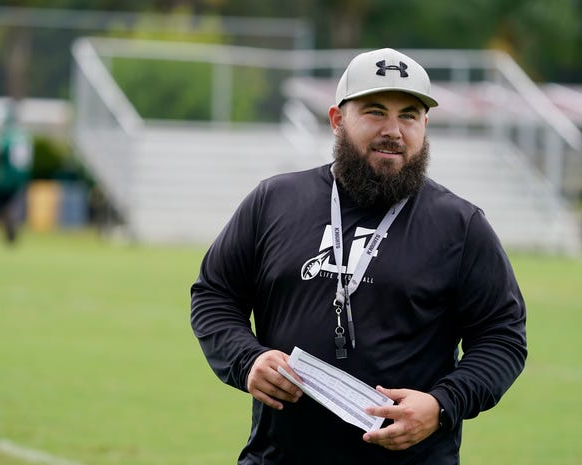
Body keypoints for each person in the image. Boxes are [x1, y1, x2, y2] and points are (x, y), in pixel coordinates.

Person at [190, 48, 527, 465]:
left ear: (425, 124)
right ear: (337, 120)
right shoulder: (274, 201)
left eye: (408, 114)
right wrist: (248, 359)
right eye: (374, 111)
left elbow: (502, 336)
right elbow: (215, 295)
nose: (393, 130)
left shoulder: (460, 225)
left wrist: (442, 405)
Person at [0, 100, 32, 244]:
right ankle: (11, 225)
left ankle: (9, 226)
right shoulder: (23, 136)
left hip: (5, 179)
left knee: (3, 207)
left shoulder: (6, 136)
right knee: (11, 206)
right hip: (20, 179)